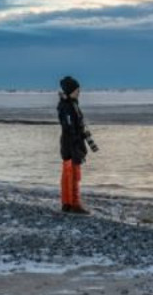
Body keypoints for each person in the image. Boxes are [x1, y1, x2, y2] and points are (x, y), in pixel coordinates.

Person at [57, 75, 95, 215]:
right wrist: (78, 142)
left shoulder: (70, 103)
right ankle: (74, 204)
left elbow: (75, 125)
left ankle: (67, 203)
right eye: (77, 89)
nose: (79, 91)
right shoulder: (67, 106)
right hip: (71, 143)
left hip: (69, 143)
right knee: (73, 174)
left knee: (68, 173)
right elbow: (69, 127)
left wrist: (84, 135)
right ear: (70, 90)